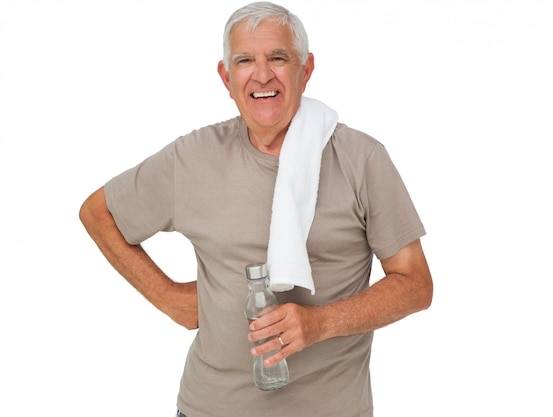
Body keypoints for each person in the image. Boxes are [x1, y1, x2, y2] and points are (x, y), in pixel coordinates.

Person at [79, 2, 433, 417]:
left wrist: (321, 323)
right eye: (245, 60)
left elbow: (415, 285)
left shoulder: (361, 159)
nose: (262, 74)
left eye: (278, 58)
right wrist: (169, 297)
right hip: (209, 407)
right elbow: (98, 212)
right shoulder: (193, 157)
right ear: (226, 78)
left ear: (306, 68)